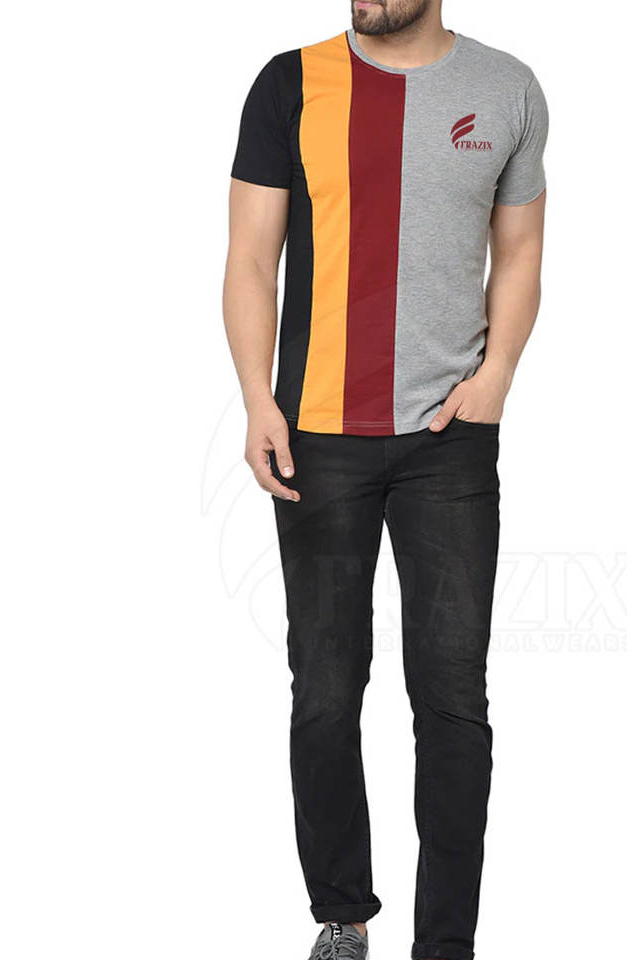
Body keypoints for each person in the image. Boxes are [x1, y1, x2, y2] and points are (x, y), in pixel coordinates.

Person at [223, 1, 547, 957]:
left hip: (452, 440)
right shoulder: (288, 84)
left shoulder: (507, 88)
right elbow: (251, 256)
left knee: (452, 698)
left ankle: (445, 944)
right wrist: (257, 398)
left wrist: (496, 377)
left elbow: (520, 249)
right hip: (317, 436)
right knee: (326, 690)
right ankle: (343, 916)